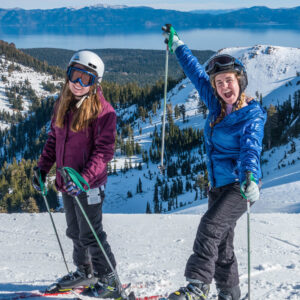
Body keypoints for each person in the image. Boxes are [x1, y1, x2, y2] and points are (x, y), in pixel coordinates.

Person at [162, 24, 266, 300]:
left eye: (228, 80)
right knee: (222, 246)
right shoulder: (217, 104)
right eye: (219, 83)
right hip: (218, 186)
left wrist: (250, 177)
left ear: (239, 81)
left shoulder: (251, 116)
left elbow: (250, 150)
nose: (224, 87)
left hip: (239, 186)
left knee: (209, 227)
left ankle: (197, 285)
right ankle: (230, 294)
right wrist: (178, 46)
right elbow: (196, 74)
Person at [32, 50, 121, 299]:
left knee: (91, 234)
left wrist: (84, 178)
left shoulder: (103, 111)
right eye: (74, 75)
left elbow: (104, 152)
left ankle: (110, 280)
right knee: (74, 231)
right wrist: (42, 168)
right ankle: (85, 271)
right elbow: (53, 141)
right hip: (67, 184)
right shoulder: (63, 103)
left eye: (86, 79)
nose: (78, 83)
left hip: (88, 186)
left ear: (95, 83)